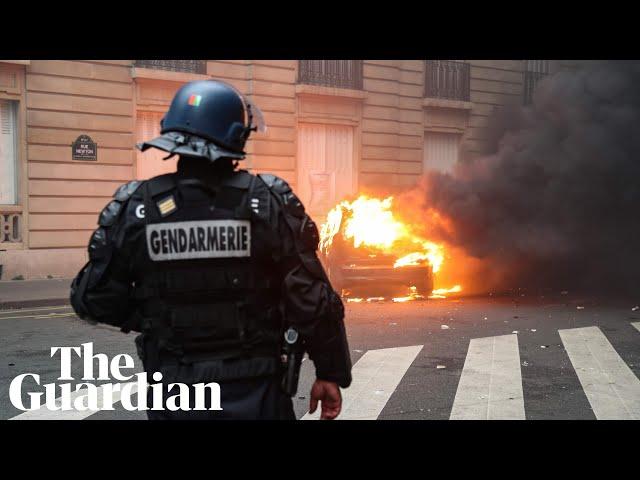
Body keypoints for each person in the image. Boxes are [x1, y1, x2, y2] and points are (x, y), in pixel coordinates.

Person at [70, 79, 352, 420]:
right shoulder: (268, 201)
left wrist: (153, 315)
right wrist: (329, 372)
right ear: (236, 135)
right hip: (257, 391)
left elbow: (94, 298)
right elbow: (313, 301)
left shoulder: (136, 207)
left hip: (175, 393)